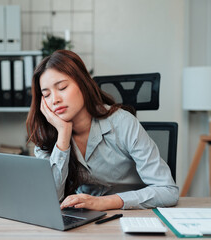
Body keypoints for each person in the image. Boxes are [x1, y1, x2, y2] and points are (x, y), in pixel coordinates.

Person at [26, 50, 179, 211]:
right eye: (47, 94)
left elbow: (168, 191)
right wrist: (63, 136)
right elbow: (51, 198)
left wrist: (104, 202)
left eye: (62, 87)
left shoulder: (122, 123)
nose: (55, 99)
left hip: (133, 216)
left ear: (83, 84)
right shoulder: (47, 134)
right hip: (85, 220)